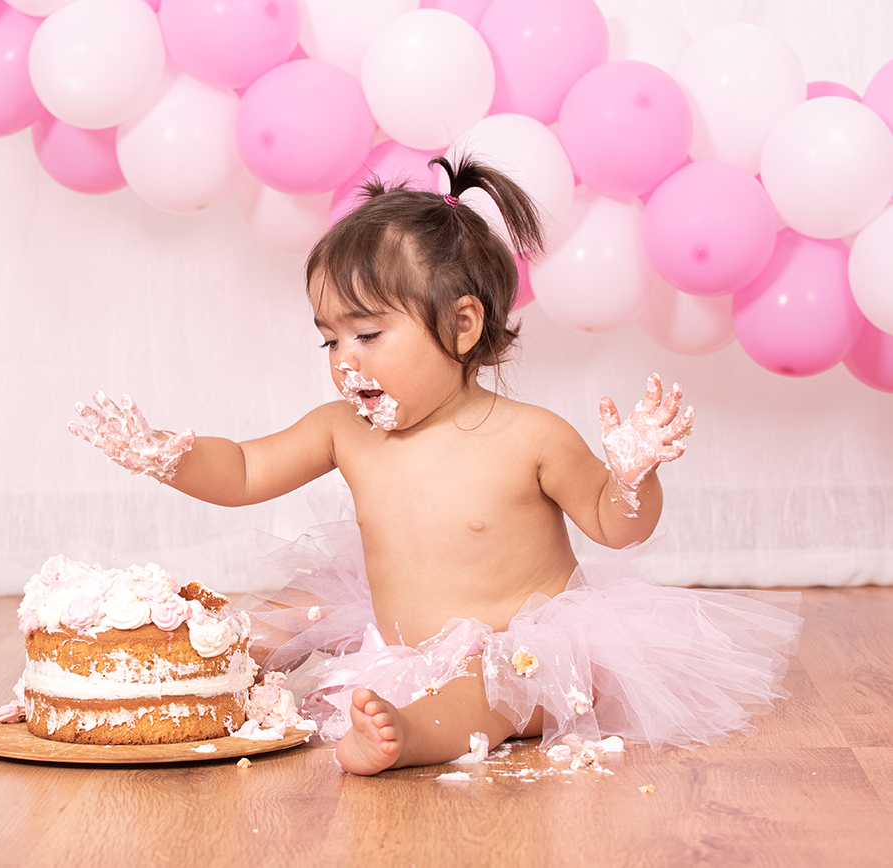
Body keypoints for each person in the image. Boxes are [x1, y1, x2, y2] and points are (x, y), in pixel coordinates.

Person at [68, 155, 802, 776]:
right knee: (277, 621)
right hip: (399, 637)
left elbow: (617, 528)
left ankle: (410, 737)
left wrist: (636, 477)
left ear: (461, 326)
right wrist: (166, 454)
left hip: (524, 655)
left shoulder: (530, 437)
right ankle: (179, 680)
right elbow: (245, 471)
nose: (345, 360)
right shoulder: (342, 432)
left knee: (485, 691)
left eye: (368, 333)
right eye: (330, 341)